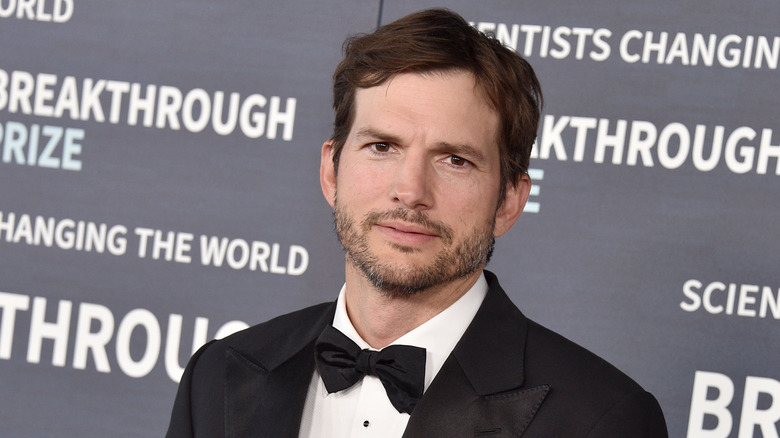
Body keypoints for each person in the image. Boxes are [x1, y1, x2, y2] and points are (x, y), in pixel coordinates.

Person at [166, 8, 668, 437]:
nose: (411, 190)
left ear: (509, 201)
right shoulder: (219, 377)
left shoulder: (602, 419)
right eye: (382, 147)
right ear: (331, 170)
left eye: (455, 160)